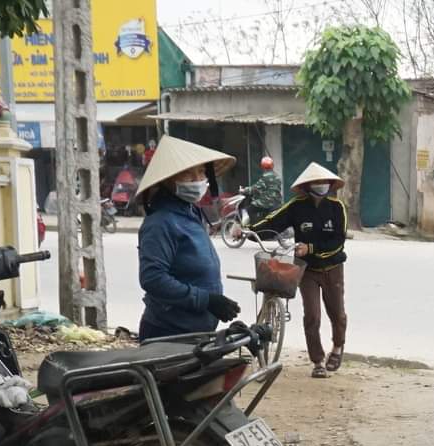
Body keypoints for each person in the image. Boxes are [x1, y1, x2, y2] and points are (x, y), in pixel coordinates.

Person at [135, 136, 240, 340]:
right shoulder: (160, 223)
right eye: (187, 174)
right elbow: (153, 279)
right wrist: (207, 300)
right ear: (168, 181)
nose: (197, 179)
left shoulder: (191, 212)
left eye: (201, 171)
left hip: (197, 330)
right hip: (169, 333)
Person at [254, 162, 350, 376]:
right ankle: (317, 362)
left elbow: (338, 242)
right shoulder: (296, 206)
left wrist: (311, 247)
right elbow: (273, 221)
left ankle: (337, 347)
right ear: (308, 186)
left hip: (333, 268)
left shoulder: (337, 208)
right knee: (312, 315)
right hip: (307, 270)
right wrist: (247, 230)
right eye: (316, 182)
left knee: (337, 314)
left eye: (324, 181)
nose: (321, 185)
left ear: (330, 184)